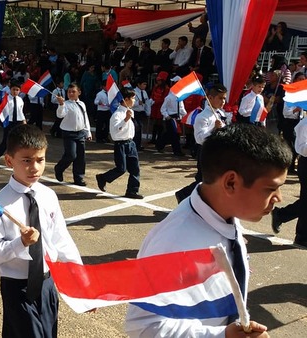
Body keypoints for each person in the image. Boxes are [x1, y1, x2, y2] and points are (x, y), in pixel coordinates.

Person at [126, 123, 291, 337]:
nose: (279, 198)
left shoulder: (224, 214)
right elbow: (143, 326)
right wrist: (221, 335)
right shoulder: (173, 243)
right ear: (231, 183)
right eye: (271, 189)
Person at [0, 124, 82, 338]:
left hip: (47, 284)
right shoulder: (0, 205)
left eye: (40, 160)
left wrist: (81, 280)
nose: (35, 168)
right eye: (26, 160)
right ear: (9, 161)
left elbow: (61, 239)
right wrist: (21, 243)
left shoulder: (48, 196)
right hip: (17, 288)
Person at [175, 83, 228, 203]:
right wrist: (214, 129)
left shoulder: (220, 114)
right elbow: (199, 138)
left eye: (224, 98)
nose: (223, 101)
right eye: (220, 98)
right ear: (210, 98)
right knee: (203, 180)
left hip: (217, 152)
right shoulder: (202, 117)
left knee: (213, 180)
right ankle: (184, 195)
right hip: (205, 151)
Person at [95, 88, 143, 199]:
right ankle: (103, 178)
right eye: (133, 98)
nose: (134, 101)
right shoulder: (117, 114)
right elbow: (115, 131)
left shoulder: (130, 112)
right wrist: (126, 119)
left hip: (131, 144)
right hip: (121, 144)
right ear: (126, 99)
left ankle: (132, 191)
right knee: (121, 168)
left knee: (135, 169)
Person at [271, 107, 307, 246]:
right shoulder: (304, 124)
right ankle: (302, 236)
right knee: (306, 200)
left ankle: (282, 215)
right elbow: (301, 148)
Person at [54, 83, 92, 186]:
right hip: (68, 133)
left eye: (73, 91)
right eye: (69, 92)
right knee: (71, 155)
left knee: (80, 157)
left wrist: (87, 131)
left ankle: (78, 177)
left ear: (79, 92)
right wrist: (61, 105)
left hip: (80, 132)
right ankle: (59, 168)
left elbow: (85, 118)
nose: (70, 93)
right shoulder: (65, 104)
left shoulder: (82, 104)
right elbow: (60, 114)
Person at [0, 81, 26, 165]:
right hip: (9, 122)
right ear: (10, 89)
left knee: (17, 141)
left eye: (17, 90)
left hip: (18, 122)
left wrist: (23, 120)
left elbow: (20, 111)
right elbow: (3, 110)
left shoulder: (20, 100)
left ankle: (14, 158)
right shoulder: (6, 98)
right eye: (13, 89)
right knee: (6, 141)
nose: (15, 91)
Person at [157, 77, 187, 156]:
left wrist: (185, 116)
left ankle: (159, 145)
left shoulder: (180, 97)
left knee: (170, 134)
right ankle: (177, 151)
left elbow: (181, 108)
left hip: (177, 118)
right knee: (174, 135)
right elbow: (162, 109)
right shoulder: (169, 97)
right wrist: (167, 116)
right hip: (170, 118)